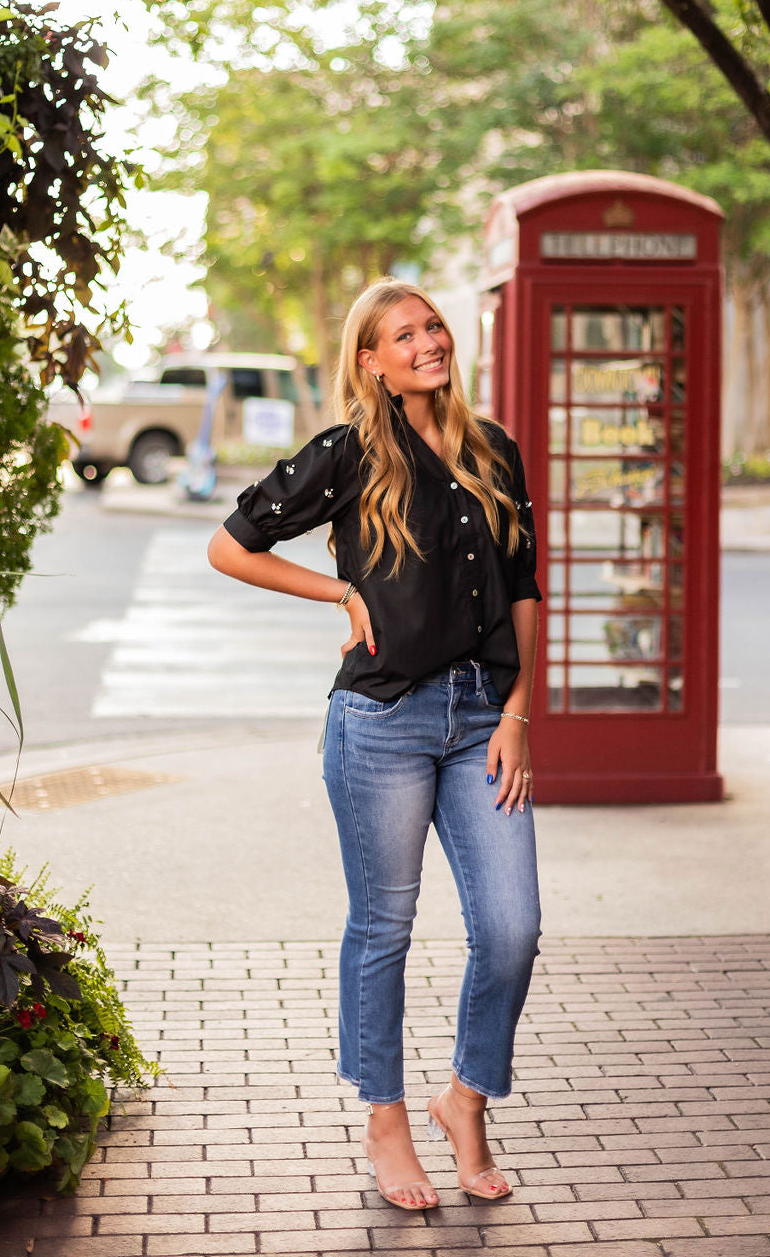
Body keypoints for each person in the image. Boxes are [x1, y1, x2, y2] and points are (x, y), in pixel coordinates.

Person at [208, 278, 542, 1210]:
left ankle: (464, 1100)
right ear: (372, 362)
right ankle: (385, 1120)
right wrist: (342, 596)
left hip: (483, 717)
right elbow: (230, 546)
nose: (428, 342)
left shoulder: (493, 450)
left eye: (433, 326)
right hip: (381, 723)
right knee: (383, 931)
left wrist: (519, 712)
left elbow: (524, 591)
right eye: (405, 335)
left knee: (512, 929)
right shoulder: (349, 453)